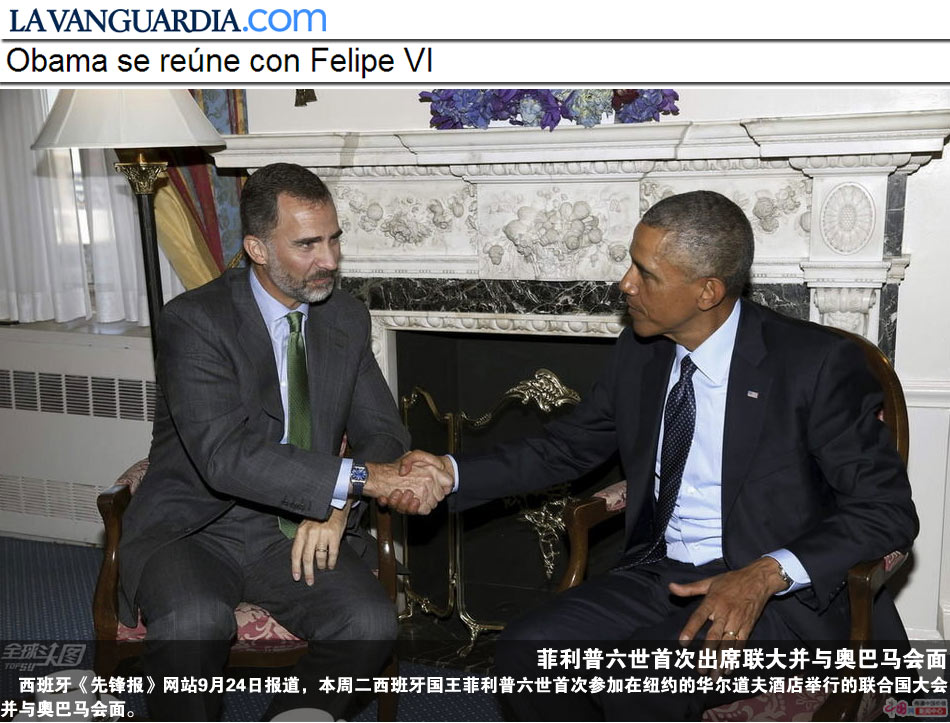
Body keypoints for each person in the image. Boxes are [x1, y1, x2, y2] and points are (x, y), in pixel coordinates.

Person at [396, 190, 918, 720]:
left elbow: (887, 511)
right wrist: (451, 472)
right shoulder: (641, 351)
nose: (625, 283)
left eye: (645, 274)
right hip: (660, 572)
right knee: (523, 653)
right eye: (631, 264)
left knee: (636, 685)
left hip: (777, 600)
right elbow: (565, 448)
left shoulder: (815, 365)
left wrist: (766, 573)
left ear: (707, 291)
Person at [118, 163, 451, 721]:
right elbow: (225, 458)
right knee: (194, 623)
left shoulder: (344, 316)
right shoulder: (195, 321)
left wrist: (337, 506)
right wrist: (356, 480)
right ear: (257, 248)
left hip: (296, 528)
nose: (330, 260)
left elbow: (383, 429)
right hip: (196, 529)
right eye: (307, 245)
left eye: (334, 239)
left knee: (368, 623)